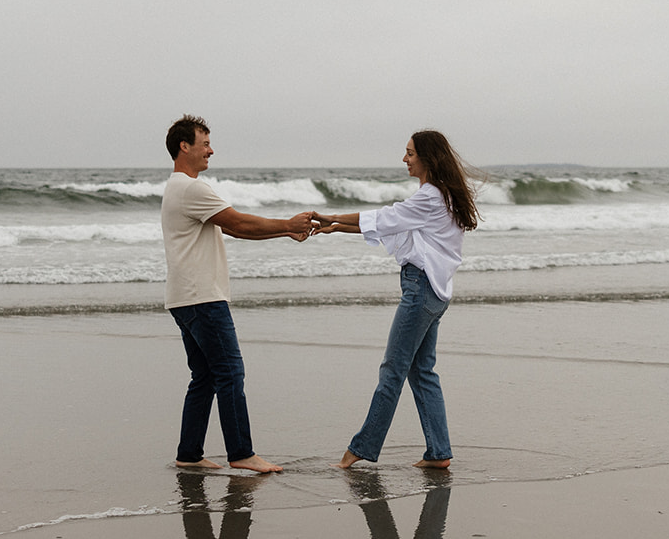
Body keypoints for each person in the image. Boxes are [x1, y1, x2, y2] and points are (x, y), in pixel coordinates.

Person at [313, 130, 479, 470]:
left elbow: (386, 218)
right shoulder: (441, 195)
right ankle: (439, 452)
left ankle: (360, 448)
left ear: (428, 158)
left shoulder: (431, 197)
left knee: (392, 371)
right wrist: (336, 226)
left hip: (421, 290)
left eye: (410, 153)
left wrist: (332, 217)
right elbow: (391, 223)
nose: (404, 159)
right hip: (435, 291)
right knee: (422, 371)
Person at [163, 114, 315, 474]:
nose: (210, 151)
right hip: (203, 297)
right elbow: (238, 222)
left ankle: (189, 455)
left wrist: (283, 232)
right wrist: (288, 224)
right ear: (184, 146)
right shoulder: (191, 188)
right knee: (230, 372)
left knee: (205, 377)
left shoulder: (175, 188)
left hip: (183, 297)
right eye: (204, 144)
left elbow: (234, 230)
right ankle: (241, 453)